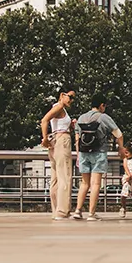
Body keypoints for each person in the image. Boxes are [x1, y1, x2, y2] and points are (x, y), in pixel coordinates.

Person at [71, 96, 124, 221]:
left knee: (84, 183)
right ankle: (91, 213)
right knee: (95, 184)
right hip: (98, 153)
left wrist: (78, 154)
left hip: (83, 153)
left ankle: (78, 210)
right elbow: (119, 134)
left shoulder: (82, 117)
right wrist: (120, 147)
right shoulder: (104, 117)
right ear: (101, 105)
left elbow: (77, 138)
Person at [40, 86, 76, 220]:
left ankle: (56, 210)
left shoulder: (60, 108)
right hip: (62, 141)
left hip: (55, 140)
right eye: (70, 96)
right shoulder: (59, 107)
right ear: (62, 95)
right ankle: (63, 211)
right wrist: (44, 138)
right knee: (65, 176)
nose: (71, 100)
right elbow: (44, 120)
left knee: (55, 178)